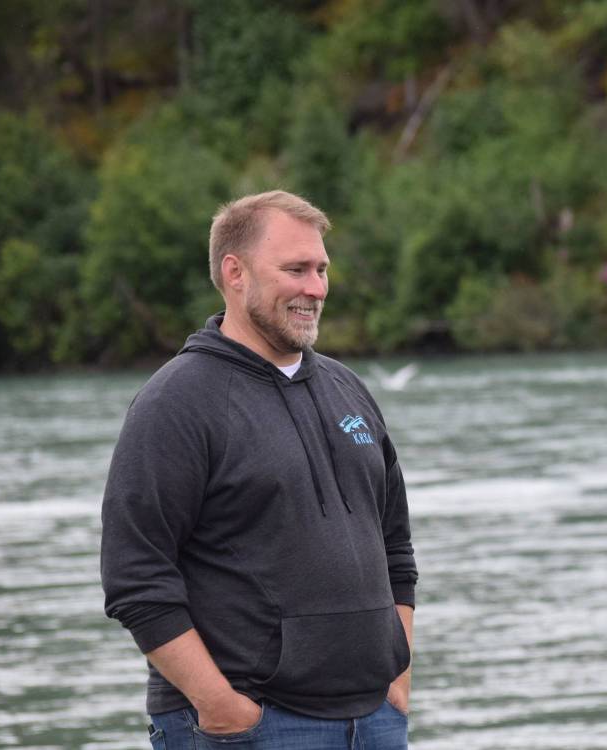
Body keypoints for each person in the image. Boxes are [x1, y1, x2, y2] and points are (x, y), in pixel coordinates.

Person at [100, 190, 418, 750]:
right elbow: (136, 579)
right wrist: (222, 708)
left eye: (321, 269)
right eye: (295, 269)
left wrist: (397, 677)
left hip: (374, 719)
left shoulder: (348, 389)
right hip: (252, 727)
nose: (316, 288)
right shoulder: (176, 403)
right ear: (235, 272)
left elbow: (396, 547)